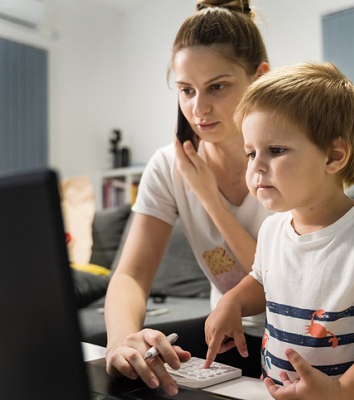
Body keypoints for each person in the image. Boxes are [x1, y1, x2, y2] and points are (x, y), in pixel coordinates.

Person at [204, 62, 354, 399]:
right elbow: (263, 280)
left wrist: (340, 391)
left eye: (276, 150)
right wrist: (232, 302)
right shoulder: (272, 230)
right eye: (251, 152)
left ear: (334, 156)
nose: (256, 166)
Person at [103, 0, 272, 396]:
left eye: (217, 86)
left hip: (298, 332)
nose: (199, 108)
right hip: (228, 335)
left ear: (260, 77)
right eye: (186, 90)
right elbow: (130, 275)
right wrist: (122, 341)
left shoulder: (286, 157)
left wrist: (209, 199)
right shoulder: (168, 166)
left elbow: (276, 284)